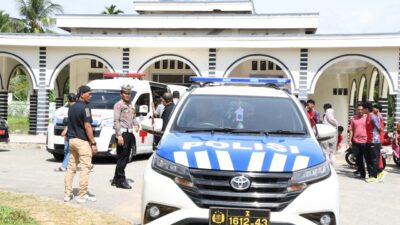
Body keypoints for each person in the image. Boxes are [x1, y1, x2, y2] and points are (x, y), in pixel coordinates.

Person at [64, 85, 97, 203]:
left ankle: (67, 194)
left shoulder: (71, 107)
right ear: (82, 94)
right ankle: (82, 195)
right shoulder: (86, 108)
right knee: (85, 168)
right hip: (82, 142)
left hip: (71, 141)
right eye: (89, 93)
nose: (90, 96)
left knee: (71, 168)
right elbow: (87, 126)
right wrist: (93, 143)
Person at [111, 84, 139, 189]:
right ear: (121, 94)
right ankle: (121, 181)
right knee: (123, 158)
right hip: (122, 134)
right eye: (125, 93)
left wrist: (136, 123)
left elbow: (134, 117)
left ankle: (115, 179)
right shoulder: (118, 105)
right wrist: (119, 135)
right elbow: (116, 120)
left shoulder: (131, 104)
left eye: (129, 93)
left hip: (129, 133)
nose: (127, 95)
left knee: (124, 158)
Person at [55, 93, 76, 172]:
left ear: (68, 100)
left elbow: (71, 121)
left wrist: (65, 130)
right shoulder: (75, 107)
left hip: (71, 133)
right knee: (72, 151)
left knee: (68, 151)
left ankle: (64, 166)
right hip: (73, 133)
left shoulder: (72, 108)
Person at [365, 102, 384, 183]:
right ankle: (376, 173)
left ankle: (374, 176)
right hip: (370, 140)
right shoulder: (371, 116)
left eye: (375, 107)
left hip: (374, 140)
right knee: (370, 158)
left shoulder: (373, 116)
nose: (373, 108)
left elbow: (379, 127)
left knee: (374, 159)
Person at [348, 102, 368, 179]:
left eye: (361, 109)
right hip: (356, 141)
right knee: (359, 159)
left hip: (365, 141)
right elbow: (351, 130)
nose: (360, 111)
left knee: (367, 158)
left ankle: (372, 174)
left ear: (364, 110)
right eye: (358, 109)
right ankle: (362, 174)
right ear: (356, 110)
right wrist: (350, 140)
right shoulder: (353, 118)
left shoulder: (367, 117)